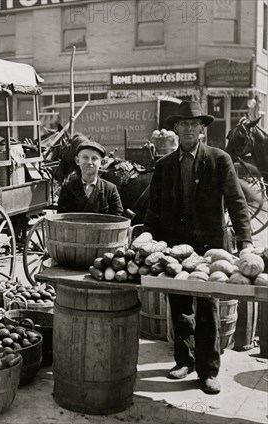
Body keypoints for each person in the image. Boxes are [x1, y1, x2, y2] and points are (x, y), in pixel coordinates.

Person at [144, 101, 253, 395]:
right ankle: (185, 360)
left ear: (202, 130)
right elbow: (153, 209)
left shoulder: (219, 160)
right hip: (175, 247)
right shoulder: (164, 165)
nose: (189, 129)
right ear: (176, 128)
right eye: (183, 124)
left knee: (207, 307)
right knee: (179, 305)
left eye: (195, 124)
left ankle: (208, 370)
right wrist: (149, 240)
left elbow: (236, 202)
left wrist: (246, 243)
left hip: (209, 248)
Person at [57, 139, 124, 216]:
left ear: (102, 163)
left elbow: (117, 218)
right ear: (77, 161)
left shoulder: (110, 190)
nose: (89, 162)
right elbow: (61, 219)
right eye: (85, 158)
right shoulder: (67, 189)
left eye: (94, 159)